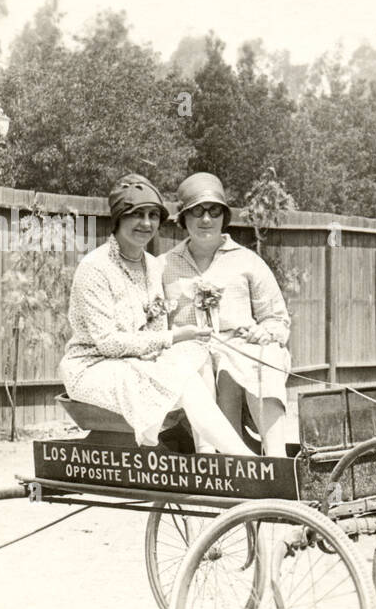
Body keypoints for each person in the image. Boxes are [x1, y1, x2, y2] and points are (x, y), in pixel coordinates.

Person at [59, 173, 257, 456]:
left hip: (136, 362)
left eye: (153, 215)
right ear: (118, 219)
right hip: (93, 367)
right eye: (137, 215)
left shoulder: (153, 266)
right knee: (181, 372)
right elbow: (108, 344)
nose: (147, 224)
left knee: (194, 355)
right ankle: (237, 457)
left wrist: (182, 342)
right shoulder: (95, 268)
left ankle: (209, 453)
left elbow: (155, 330)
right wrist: (174, 337)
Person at [163, 172, 291, 456]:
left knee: (264, 354)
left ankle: (276, 459)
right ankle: (212, 459)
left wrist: (264, 331)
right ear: (183, 218)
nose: (206, 219)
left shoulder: (248, 262)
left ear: (224, 217)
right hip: (189, 358)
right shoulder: (163, 266)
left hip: (241, 352)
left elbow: (277, 319)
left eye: (214, 210)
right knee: (199, 363)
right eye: (196, 211)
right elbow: (152, 325)